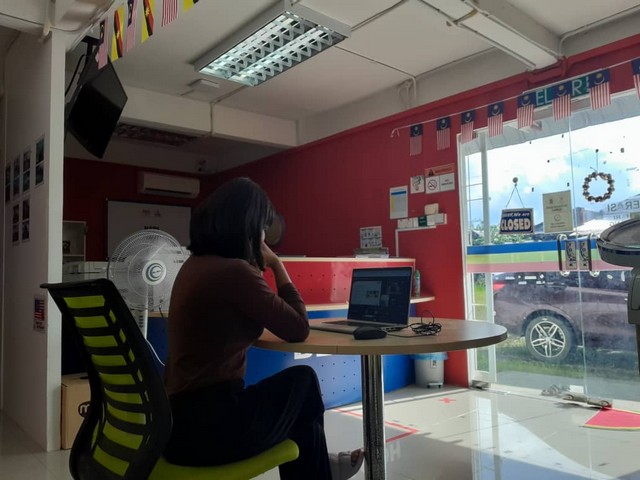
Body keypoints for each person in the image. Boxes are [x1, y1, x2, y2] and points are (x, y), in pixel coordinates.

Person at [163, 177, 364, 480]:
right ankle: (321, 468)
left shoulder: (195, 265)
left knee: (296, 402)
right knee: (304, 382)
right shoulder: (234, 272)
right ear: (248, 227)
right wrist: (278, 265)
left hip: (178, 425)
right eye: (262, 229)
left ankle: (321, 465)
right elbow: (298, 327)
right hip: (209, 430)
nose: (263, 238)